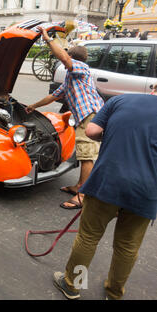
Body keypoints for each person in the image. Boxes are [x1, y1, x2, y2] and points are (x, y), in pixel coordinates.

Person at [53, 92, 157, 300]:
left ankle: (73, 285)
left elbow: (92, 131)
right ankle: (114, 293)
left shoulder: (122, 100)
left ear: (154, 88)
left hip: (108, 182)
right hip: (145, 191)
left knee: (88, 237)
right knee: (127, 246)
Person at [26, 27, 104, 210]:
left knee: (87, 156)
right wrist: (33, 106)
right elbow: (53, 97)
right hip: (88, 116)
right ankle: (79, 186)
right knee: (85, 153)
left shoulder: (81, 68)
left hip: (90, 116)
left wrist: (47, 39)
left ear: (73, 58)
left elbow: (64, 58)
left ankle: (82, 196)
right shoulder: (71, 77)